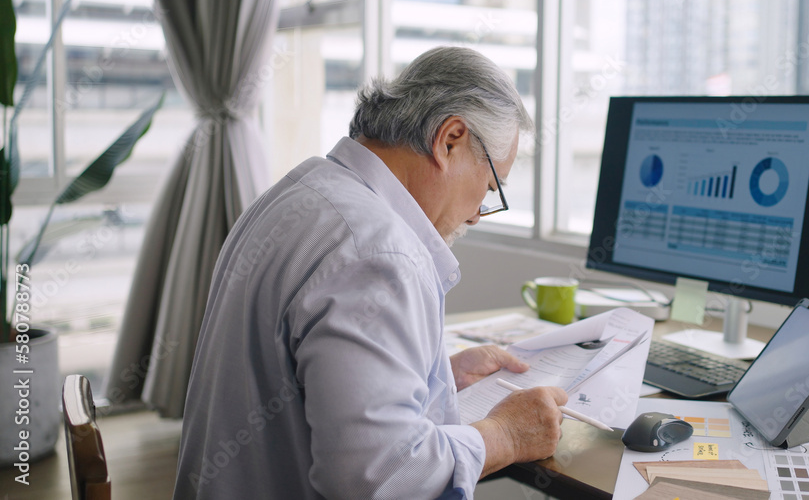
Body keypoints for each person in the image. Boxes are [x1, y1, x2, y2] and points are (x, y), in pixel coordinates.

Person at [172, 46, 569, 499]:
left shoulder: (301, 190)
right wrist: (506, 436)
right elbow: (377, 476)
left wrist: (434, 377)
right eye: (491, 185)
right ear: (450, 140)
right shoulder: (380, 254)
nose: (479, 214)